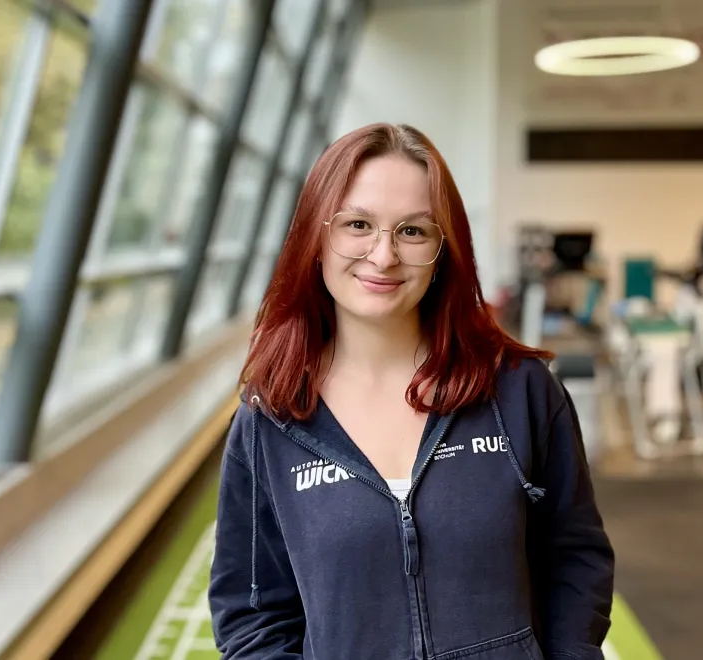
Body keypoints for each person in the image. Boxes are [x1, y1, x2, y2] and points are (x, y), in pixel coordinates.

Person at [209, 123, 614, 659]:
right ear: (316, 237)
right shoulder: (271, 418)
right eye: (357, 224)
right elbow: (252, 612)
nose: (383, 256)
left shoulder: (519, 392)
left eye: (413, 231)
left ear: (444, 249)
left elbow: (576, 559)